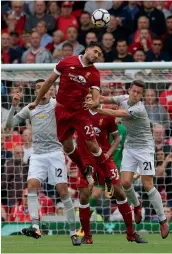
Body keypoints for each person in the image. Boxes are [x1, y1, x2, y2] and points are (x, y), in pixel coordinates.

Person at [28, 41, 115, 198]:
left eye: (99, 54)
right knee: (68, 147)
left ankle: (108, 176)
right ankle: (84, 169)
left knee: (93, 145)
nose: (96, 56)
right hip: (62, 110)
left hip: (80, 112)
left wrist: (93, 103)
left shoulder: (94, 73)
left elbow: (96, 99)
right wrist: (36, 100)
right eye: (95, 51)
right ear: (86, 49)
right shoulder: (67, 62)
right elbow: (48, 82)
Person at [85, 80, 170, 239]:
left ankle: (163, 220)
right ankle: (137, 206)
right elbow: (103, 98)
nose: (135, 94)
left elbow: (117, 114)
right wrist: (92, 96)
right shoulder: (123, 98)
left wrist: (97, 108)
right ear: (129, 90)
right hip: (130, 147)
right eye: (134, 91)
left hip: (145, 148)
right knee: (124, 183)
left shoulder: (138, 109)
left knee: (148, 185)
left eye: (139, 93)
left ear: (142, 95)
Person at [5, 79, 81, 246]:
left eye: (45, 87)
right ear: (35, 92)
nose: (43, 90)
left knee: (63, 192)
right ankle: (35, 226)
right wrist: (13, 106)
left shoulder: (57, 105)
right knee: (31, 185)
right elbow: (9, 126)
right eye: (38, 88)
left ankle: (73, 233)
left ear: (50, 90)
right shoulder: (30, 108)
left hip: (55, 154)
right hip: (38, 155)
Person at [77, 104, 147, 244]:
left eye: (92, 95)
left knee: (119, 192)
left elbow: (118, 141)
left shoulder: (111, 120)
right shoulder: (79, 114)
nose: (89, 98)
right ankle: (86, 234)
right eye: (87, 96)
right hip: (87, 161)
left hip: (106, 162)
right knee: (86, 194)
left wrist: (108, 154)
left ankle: (131, 233)